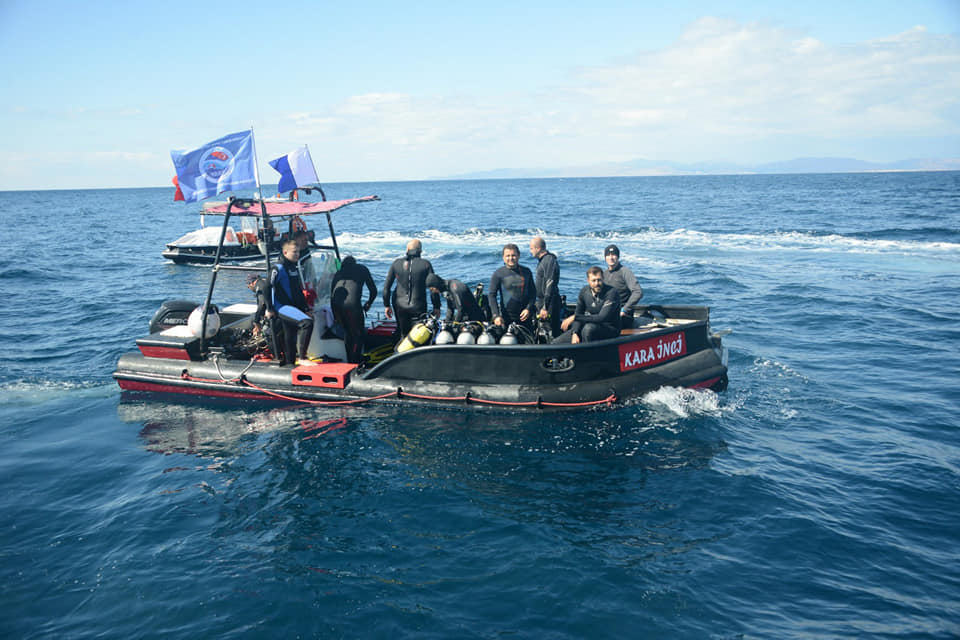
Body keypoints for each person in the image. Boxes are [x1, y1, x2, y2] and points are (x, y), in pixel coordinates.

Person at [382, 239, 441, 339]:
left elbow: (386, 288)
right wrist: (436, 306)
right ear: (420, 251)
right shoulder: (426, 264)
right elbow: (433, 289)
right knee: (418, 337)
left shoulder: (396, 263)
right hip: (418, 307)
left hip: (400, 306)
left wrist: (387, 305)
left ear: (407, 249)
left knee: (403, 336)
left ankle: (399, 352)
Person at [270, 239, 314, 365]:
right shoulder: (278, 267)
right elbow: (267, 287)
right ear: (285, 252)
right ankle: (302, 358)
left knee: (290, 337)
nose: (297, 255)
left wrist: (305, 308)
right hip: (281, 307)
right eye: (294, 252)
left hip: (292, 306)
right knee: (307, 323)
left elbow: (298, 291)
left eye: (298, 252)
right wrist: (269, 309)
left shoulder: (293, 267)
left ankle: (290, 364)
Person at [554, 266, 621, 344]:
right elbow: (579, 313)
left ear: (603, 279)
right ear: (588, 281)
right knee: (556, 343)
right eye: (594, 281)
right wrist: (575, 333)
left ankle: (586, 354)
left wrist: (575, 317)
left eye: (599, 280)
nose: (597, 283)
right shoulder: (584, 292)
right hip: (591, 325)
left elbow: (602, 318)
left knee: (588, 329)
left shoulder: (612, 293)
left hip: (610, 329)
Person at [331, 256, 377, 363]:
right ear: (354, 262)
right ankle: (355, 363)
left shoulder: (339, 273)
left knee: (348, 333)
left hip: (336, 305)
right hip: (352, 305)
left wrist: (335, 315)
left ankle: (349, 360)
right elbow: (373, 290)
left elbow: (331, 293)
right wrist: (369, 303)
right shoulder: (362, 268)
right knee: (358, 334)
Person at [488, 243, 536, 330]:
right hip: (506, 318)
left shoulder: (526, 272)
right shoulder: (498, 274)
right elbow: (492, 295)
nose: (511, 258)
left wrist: (528, 309)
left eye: (513, 255)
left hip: (525, 317)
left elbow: (533, 294)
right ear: (503, 257)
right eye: (508, 256)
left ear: (519, 256)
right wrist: (496, 316)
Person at [602, 244, 643, 329]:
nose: (611, 257)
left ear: (618, 257)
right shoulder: (604, 274)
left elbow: (638, 292)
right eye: (608, 255)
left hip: (623, 316)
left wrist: (625, 309)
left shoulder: (625, 272)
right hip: (608, 312)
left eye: (614, 255)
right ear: (605, 257)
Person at [529, 236, 561, 337]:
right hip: (542, 302)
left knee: (549, 332)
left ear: (538, 248)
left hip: (549, 303)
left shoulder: (549, 260)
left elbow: (550, 284)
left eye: (531, 248)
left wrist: (545, 307)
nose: (530, 251)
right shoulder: (543, 261)